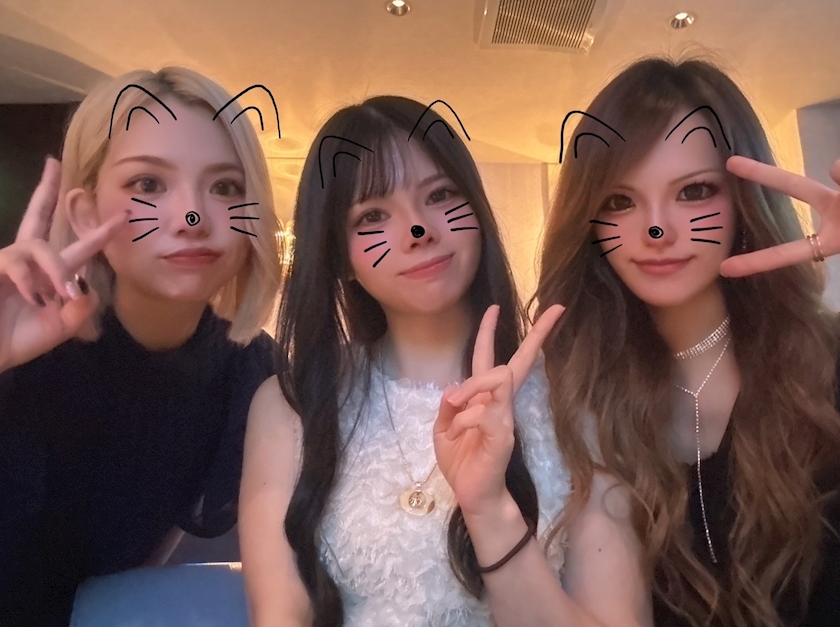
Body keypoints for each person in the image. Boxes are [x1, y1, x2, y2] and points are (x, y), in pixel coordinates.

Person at [528, 56, 840, 626]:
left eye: (694, 191)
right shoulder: (576, 394)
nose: (657, 229)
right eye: (620, 201)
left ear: (743, 200)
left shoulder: (826, 363)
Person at [239, 95, 569, 626]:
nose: (419, 231)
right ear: (339, 255)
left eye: (440, 195)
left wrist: (490, 509)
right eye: (372, 215)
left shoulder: (573, 394)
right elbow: (282, 613)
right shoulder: (290, 405)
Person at [0, 66, 282, 626]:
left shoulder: (253, 373)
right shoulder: (25, 349)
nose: (193, 217)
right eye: (149, 185)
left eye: (225, 187)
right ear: (84, 213)